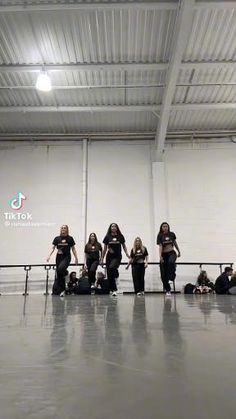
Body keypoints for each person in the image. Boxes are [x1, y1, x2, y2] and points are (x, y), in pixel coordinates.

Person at [47, 225, 78, 296]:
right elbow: (53, 248)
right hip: (59, 257)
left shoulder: (70, 238)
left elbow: (73, 249)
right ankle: (62, 290)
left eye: (65, 228)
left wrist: (76, 258)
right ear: (60, 230)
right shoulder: (57, 238)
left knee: (61, 269)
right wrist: (49, 255)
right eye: (62, 228)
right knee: (59, 273)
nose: (63, 229)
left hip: (66, 257)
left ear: (67, 230)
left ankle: (66, 273)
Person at [101, 223, 129, 296]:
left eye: (115, 226)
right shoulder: (107, 237)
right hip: (109, 256)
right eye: (112, 226)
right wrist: (102, 258)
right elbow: (104, 249)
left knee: (112, 268)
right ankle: (113, 290)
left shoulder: (120, 236)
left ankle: (116, 275)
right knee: (109, 273)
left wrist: (127, 254)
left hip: (117, 256)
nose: (113, 228)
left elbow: (124, 246)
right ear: (110, 228)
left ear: (117, 228)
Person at [156, 222, 181, 296]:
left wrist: (179, 251)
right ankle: (168, 290)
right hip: (164, 254)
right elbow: (160, 246)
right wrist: (160, 256)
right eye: (163, 226)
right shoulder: (160, 235)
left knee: (171, 262)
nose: (165, 228)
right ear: (161, 228)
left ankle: (171, 278)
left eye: (166, 226)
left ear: (168, 227)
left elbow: (175, 243)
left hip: (172, 253)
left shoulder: (171, 234)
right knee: (163, 274)